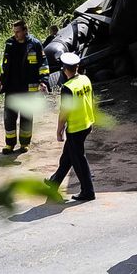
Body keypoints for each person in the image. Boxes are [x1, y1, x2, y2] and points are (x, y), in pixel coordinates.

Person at [47, 52, 96, 201]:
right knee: (68, 156)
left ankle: (88, 191)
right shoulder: (85, 79)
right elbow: (91, 100)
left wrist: (59, 130)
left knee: (79, 160)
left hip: (75, 128)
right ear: (77, 67)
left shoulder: (68, 88)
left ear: (64, 69)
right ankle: (53, 183)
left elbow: (65, 111)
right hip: (86, 123)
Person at [0, 20, 49, 155]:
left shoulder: (35, 44)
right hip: (11, 88)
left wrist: (43, 81)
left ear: (25, 31)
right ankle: (9, 144)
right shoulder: (10, 44)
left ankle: (25, 143)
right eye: (14, 32)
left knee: (26, 117)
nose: (15, 35)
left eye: (18, 32)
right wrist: (2, 80)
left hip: (28, 88)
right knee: (9, 118)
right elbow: (5, 64)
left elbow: (43, 64)